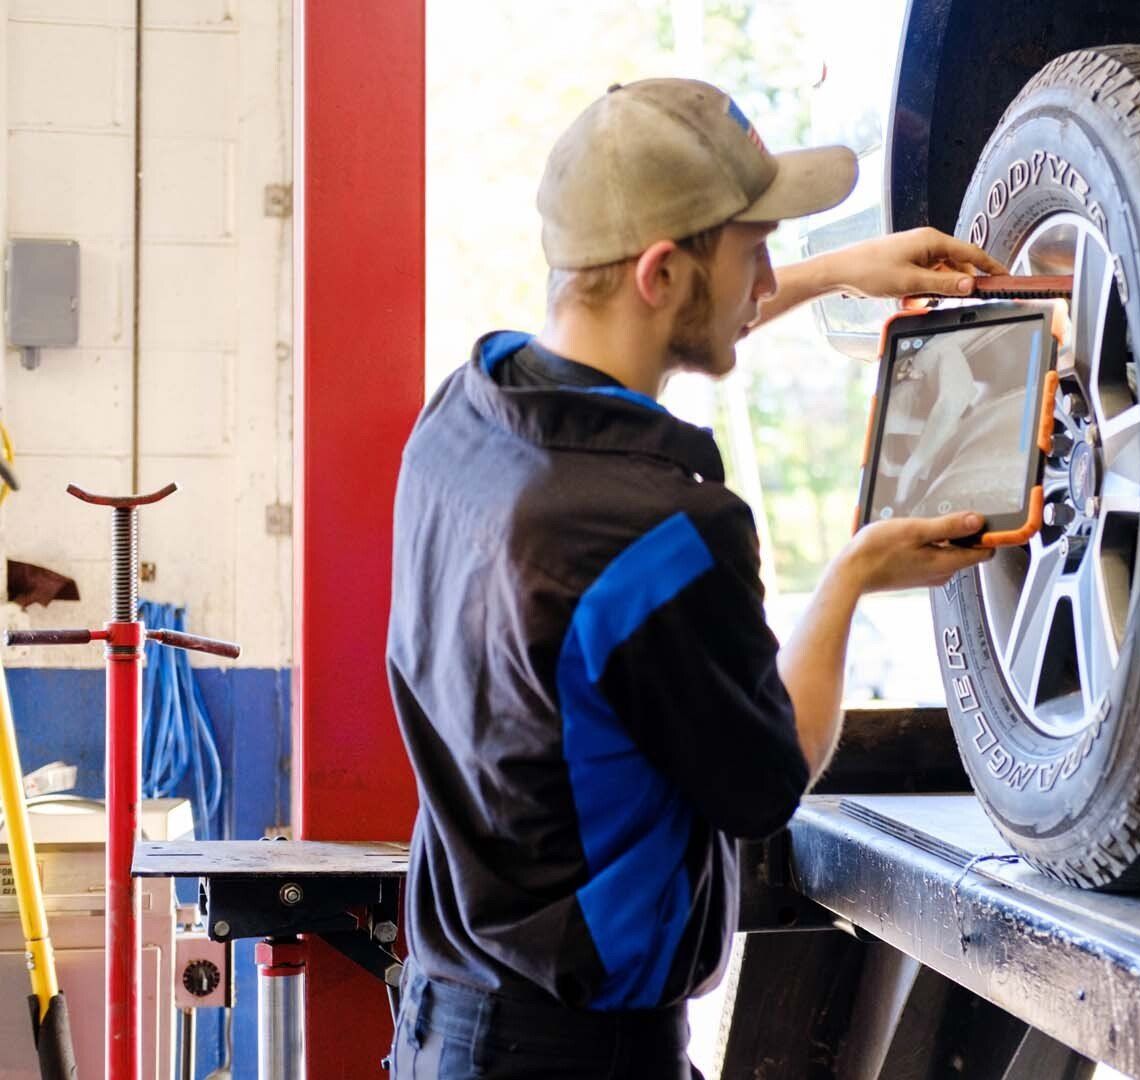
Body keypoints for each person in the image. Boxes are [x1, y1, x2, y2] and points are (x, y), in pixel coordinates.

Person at [385, 77, 1007, 1078]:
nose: (765, 277)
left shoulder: (460, 422)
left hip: (446, 1020)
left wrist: (834, 272)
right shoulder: (663, 538)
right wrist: (851, 579)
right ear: (663, 273)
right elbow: (770, 779)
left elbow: (632, 359)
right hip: (576, 1057)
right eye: (753, 250)